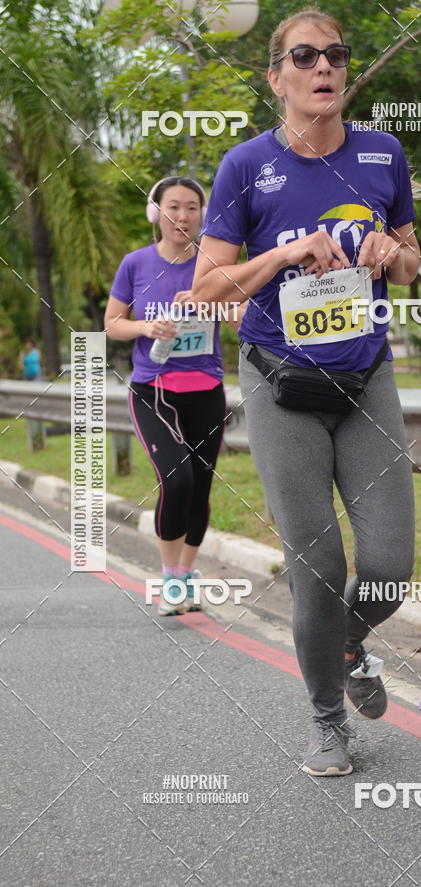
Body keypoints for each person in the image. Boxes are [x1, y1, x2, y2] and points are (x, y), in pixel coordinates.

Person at [192, 7, 420, 776]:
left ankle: (349, 641)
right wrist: (286, 253)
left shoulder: (385, 155)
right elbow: (206, 287)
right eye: (304, 56)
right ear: (277, 77)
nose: (323, 68)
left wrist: (396, 252)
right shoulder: (243, 166)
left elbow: (411, 257)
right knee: (317, 564)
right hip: (279, 382)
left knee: (387, 563)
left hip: (367, 380)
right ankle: (327, 718)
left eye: (335, 56)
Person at [105, 176, 226, 616]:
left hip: (207, 391)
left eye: (192, 207)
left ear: (202, 215)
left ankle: (187, 572)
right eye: (173, 206)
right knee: (176, 481)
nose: (183, 216)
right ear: (156, 213)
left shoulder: (214, 264)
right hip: (153, 390)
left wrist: (213, 304)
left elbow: (240, 313)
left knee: (200, 488)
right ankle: (170, 575)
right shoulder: (135, 264)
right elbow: (112, 323)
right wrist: (145, 327)